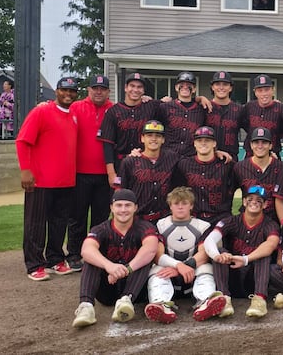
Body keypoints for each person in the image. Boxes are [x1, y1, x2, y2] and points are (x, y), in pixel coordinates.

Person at [16, 77, 79, 281]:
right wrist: (25, 170)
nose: (68, 94)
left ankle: (55, 259)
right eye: (64, 90)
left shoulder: (73, 115)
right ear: (57, 91)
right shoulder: (41, 111)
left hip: (65, 180)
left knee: (59, 223)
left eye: (72, 91)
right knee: (35, 223)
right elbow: (22, 141)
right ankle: (34, 264)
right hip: (41, 180)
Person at [72, 188, 160, 328]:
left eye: (128, 205)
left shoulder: (144, 227)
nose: (123, 210)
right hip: (108, 287)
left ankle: (126, 300)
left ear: (135, 208)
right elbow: (86, 250)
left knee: (145, 259)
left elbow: (151, 249)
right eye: (119, 205)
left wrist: (126, 269)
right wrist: (109, 266)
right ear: (112, 208)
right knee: (92, 259)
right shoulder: (101, 229)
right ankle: (86, 306)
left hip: (136, 289)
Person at [144, 186, 227, 324]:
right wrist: (178, 266)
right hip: (169, 274)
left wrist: (183, 267)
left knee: (206, 268)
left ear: (191, 206)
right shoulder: (160, 225)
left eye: (184, 203)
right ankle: (161, 304)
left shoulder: (203, 226)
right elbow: (158, 256)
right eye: (176, 203)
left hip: (192, 274)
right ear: (170, 206)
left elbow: (204, 254)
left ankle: (206, 301)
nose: (180, 207)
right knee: (156, 271)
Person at [204, 185, 281, 319]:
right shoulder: (231, 220)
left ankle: (259, 299)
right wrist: (217, 256)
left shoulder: (270, 224)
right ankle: (224, 299)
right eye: (250, 199)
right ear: (244, 202)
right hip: (232, 274)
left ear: (265, 205)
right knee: (220, 251)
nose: (254, 202)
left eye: (259, 200)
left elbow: (271, 244)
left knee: (263, 254)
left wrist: (246, 259)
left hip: (254, 277)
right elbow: (210, 240)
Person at [67, 75, 114, 271]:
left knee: (100, 218)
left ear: (108, 91)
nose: (98, 92)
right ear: (89, 90)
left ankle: (97, 253)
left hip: (105, 174)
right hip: (79, 172)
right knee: (77, 216)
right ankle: (74, 254)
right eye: (95, 88)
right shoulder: (76, 107)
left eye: (102, 88)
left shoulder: (114, 109)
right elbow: (58, 111)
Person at [99, 72, 163, 188]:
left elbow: (173, 105)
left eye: (139, 87)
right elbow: (107, 144)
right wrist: (111, 173)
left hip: (145, 164)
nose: (135, 90)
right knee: (120, 196)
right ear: (125, 88)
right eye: (132, 86)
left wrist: (197, 98)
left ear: (143, 90)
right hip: (120, 163)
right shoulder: (113, 111)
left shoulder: (152, 107)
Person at [118, 120, 180, 223]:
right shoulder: (129, 161)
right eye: (149, 135)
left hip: (164, 219)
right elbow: (120, 191)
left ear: (163, 139)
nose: (153, 139)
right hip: (137, 219)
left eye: (158, 136)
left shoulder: (172, 158)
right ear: (142, 138)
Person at [172, 126, 235, 225]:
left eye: (207, 140)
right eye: (199, 140)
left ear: (214, 143)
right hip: (193, 219)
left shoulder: (227, 165)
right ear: (194, 143)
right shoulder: (184, 164)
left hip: (220, 218)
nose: (203, 143)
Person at [233, 127, 283, 224]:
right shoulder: (240, 167)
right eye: (256, 142)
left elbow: (281, 200)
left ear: (270, 145)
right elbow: (228, 194)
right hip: (246, 221)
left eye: (264, 142)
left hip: (272, 222)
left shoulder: (282, 168)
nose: (260, 146)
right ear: (251, 145)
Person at [239, 74, 283, 158]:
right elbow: (244, 125)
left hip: (273, 155)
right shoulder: (249, 107)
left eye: (267, 90)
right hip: (251, 155)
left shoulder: (282, 109)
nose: (264, 94)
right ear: (255, 92)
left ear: (273, 90)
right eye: (260, 90)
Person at [160, 72, 207, 157]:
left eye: (189, 85)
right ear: (176, 87)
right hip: (168, 156)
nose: (185, 87)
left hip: (191, 157)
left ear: (194, 89)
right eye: (181, 84)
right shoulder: (164, 107)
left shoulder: (202, 109)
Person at [205, 71, 243, 160]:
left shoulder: (240, 110)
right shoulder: (204, 107)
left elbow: (253, 128)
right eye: (217, 84)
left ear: (230, 88)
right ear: (212, 87)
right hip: (208, 158)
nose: (221, 87)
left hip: (231, 159)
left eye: (225, 84)